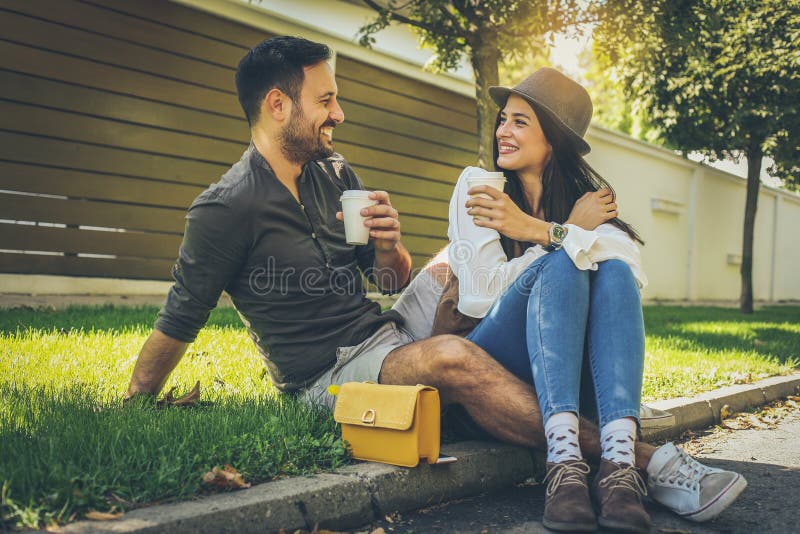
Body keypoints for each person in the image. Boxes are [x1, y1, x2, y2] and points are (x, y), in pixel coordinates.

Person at [124, 37, 744, 530]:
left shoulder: (334, 173)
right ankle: (642, 465)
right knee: (453, 354)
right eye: (326, 101)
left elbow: (386, 280)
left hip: (385, 335)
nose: (338, 113)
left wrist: (392, 248)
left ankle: (579, 437)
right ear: (278, 105)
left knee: (497, 275)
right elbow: (182, 316)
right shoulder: (225, 207)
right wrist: (135, 401)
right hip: (325, 375)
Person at [442, 68, 747, 531]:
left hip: (569, 375)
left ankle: (619, 470)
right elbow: (481, 295)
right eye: (504, 119)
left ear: (554, 140)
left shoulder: (588, 203)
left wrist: (541, 230)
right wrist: (564, 240)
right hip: (494, 363)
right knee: (568, 262)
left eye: (520, 122)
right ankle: (564, 468)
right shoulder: (479, 186)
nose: (503, 130)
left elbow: (629, 267)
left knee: (613, 271)